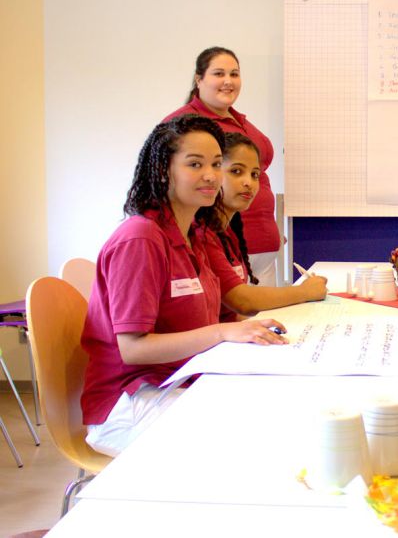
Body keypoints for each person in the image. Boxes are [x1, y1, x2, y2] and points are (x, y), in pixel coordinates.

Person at [81, 115, 288, 457]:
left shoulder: (192, 235)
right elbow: (133, 349)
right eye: (195, 164)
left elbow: (201, 323)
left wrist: (243, 329)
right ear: (164, 170)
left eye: (216, 164)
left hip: (178, 382)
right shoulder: (141, 238)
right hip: (128, 403)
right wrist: (222, 332)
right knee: (247, 445)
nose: (210, 175)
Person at [164, 47, 282, 286]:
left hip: (263, 246)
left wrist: (272, 230)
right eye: (219, 73)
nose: (228, 81)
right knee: (235, 317)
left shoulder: (240, 121)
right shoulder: (185, 125)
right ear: (199, 79)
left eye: (234, 74)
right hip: (221, 245)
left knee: (263, 320)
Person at [202, 132, 327, 322]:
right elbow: (241, 300)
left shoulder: (229, 233)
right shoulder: (204, 233)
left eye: (255, 175)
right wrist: (304, 292)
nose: (248, 183)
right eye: (236, 171)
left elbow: (231, 313)